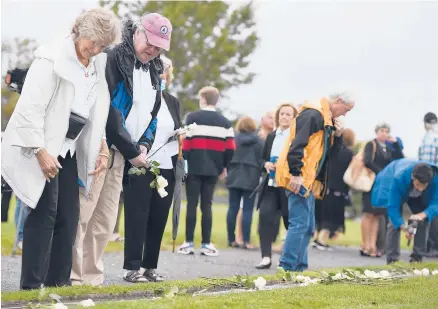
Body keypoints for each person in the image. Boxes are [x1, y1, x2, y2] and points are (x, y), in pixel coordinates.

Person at [1, 8, 121, 290]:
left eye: (102, 45)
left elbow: (96, 108)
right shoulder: (50, 59)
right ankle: (31, 286)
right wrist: (40, 151)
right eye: (93, 42)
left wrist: (101, 145)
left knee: (69, 215)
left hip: (69, 147)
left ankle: (59, 283)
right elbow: (30, 108)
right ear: (79, 30)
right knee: (45, 213)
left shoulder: (97, 63)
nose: (96, 49)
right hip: (43, 144)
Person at [71, 13, 172, 286]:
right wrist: (131, 149)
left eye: (159, 46)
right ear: (137, 33)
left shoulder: (154, 69)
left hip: (124, 154)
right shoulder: (113, 58)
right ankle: (72, 276)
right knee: (83, 213)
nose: (153, 50)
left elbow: (152, 113)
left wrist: (144, 144)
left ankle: (92, 277)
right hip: (100, 147)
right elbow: (110, 112)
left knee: (105, 220)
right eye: (150, 42)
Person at [275, 92, 355, 272]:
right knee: (300, 224)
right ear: (339, 101)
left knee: (309, 226)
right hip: (298, 176)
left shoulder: (327, 120)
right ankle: (287, 267)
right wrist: (296, 173)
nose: (345, 114)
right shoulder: (313, 114)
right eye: (346, 109)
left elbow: (330, 156)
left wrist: (338, 135)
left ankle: (299, 267)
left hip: (309, 179)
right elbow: (296, 144)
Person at [122, 55, 182, 283]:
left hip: (166, 165)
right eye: (159, 70)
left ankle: (150, 266)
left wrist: (180, 134)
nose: (162, 74)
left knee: (158, 217)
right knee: (137, 216)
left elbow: (174, 128)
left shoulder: (173, 101)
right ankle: (132, 268)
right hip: (142, 163)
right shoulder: (142, 98)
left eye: (166, 69)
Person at [178, 86, 235, 256]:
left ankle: (188, 243)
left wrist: (185, 160)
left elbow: (186, 144)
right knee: (207, 205)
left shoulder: (192, 117)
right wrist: (224, 166)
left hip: (194, 167)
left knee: (191, 205)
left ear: (203, 99)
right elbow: (230, 147)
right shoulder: (225, 122)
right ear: (216, 100)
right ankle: (206, 243)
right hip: (214, 169)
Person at [371, 159, 438, 264]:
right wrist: (403, 227)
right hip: (401, 188)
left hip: (421, 198)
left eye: (423, 186)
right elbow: (393, 208)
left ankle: (417, 257)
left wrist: (423, 214)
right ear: (413, 178)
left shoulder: (435, 178)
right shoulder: (398, 178)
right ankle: (392, 259)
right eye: (418, 185)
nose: (420, 189)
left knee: (424, 220)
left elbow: (436, 203)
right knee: (394, 223)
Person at [255, 103, 297, 269]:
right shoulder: (272, 136)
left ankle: (287, 259)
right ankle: (266, 257)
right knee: (264, 217)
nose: (284, 117)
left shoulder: (295, 137)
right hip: (271, 185)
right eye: (282, 114)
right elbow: (261, 159)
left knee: (289, 221)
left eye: (288, 114)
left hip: (288, 186)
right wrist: (266, 164)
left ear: (294, 118)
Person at [360, 123, 404, 258]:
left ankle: (373, 244)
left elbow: (400, 159)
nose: (384, 133)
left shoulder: (389, 149)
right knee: (368, 214)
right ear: (377, 132)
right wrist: (382, 173)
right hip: (372, 182)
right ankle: (365, 245)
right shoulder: (371, 144)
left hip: (382, 186)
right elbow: (367, 161)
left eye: (386, 131)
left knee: (377, 215)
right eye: (382, 131)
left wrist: (395, 144)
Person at [312, 128, 355, 250]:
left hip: (323, 187)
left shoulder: (329, 150)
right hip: (338, 189)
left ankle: (316, 238)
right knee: (331, 217)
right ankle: (322, 240)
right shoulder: (349, 154)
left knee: (320, 213)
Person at [225, 117, 263, 250]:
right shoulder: (259, 141)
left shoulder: (234, 139)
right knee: (248, 210)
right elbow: (262, 159)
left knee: (232, 208)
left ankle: (231, 239)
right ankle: (246, 241)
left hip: (234, 175)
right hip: (251, 177)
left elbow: (227, 155)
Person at [418, 112, 438, 256]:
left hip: (431, 175)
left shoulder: (429, 138)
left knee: (431, 210)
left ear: (426, 123)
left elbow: (424, 163)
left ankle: (431, 246)